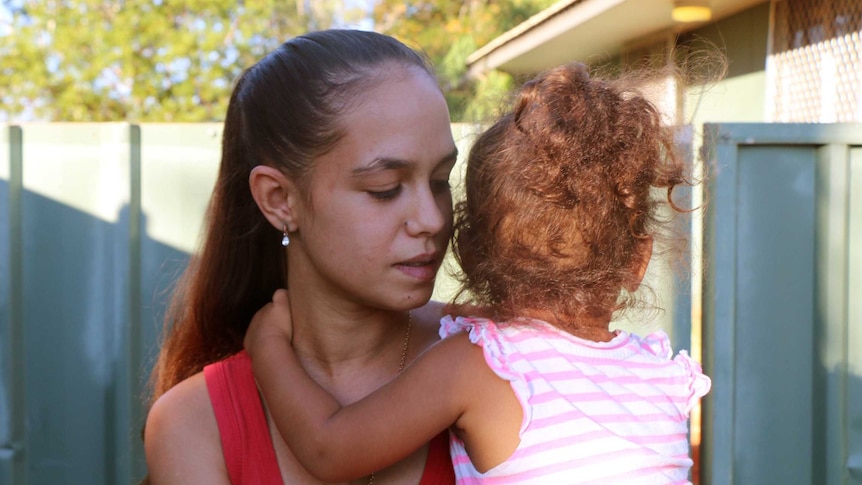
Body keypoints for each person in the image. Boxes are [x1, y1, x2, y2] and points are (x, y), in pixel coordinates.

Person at [244, 61, 712, 484]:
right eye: (386, 188)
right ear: (637, 262)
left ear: (465, 250)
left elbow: (330, 450)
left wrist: (266, 345)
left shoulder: (480, 366)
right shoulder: (662, 375)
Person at [143, 29, 460, 485]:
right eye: (384, 190)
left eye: (440, 181)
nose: (431, 219)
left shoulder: (501, 359)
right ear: (279, 200)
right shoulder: (193, 423)